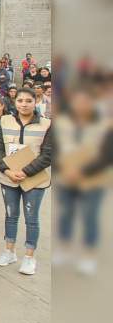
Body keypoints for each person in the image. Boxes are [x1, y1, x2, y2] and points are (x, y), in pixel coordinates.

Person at [0, 87, 53, 275]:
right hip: (8, 178)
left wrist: (25, 171)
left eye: (28, 101)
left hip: (34, 180)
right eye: (20, 101)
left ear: (36, 102)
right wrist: (7, 170)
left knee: (31, 218)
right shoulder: (4, 120)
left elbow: (48, 154)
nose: (24, 104)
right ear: (14, 102)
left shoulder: (47, 124)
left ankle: (29, 256)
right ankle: (9, 251)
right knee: (11, 215)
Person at [53, 89, 112, 275]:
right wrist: (64, 169)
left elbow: (107, 156)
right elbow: (53, 149)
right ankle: (64, 248)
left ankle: (88, 254)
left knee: (89, 217)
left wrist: (81, 171)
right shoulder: (62, 123)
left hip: (93, 179)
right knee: (66, 213)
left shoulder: (105, 126)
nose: (80, 106)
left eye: (85, 102)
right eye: (77, 102)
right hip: (65, 177)